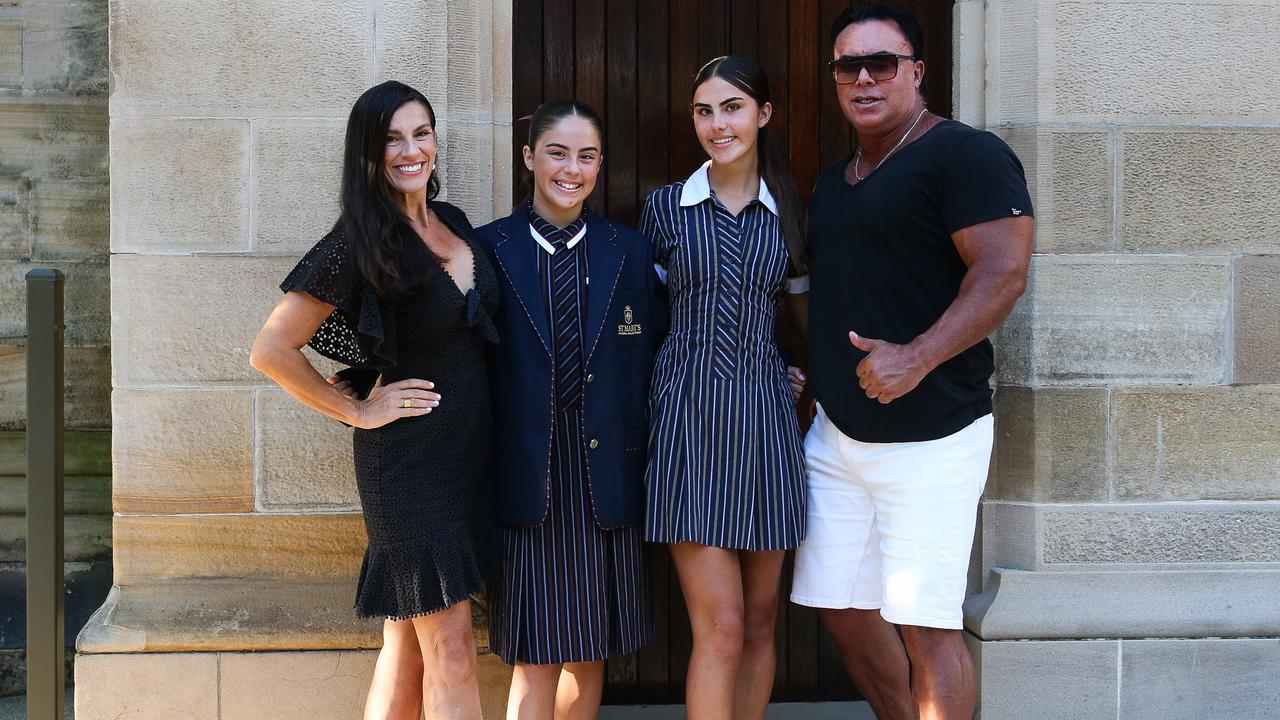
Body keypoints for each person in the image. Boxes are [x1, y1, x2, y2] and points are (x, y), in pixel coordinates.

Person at [791, 5, 1035, 720]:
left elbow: (1002, 272)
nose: (864, 77)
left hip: (933, 437)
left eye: (882, 63)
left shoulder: (968, 156)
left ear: (917, 72)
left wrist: (917, 358)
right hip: (839, 438)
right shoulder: (838, 181)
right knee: (839, 608)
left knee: (928, 626)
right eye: (848, 66)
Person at [250, 80, 498, 720]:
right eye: (392, 138)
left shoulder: (456, 224)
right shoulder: (358, 240)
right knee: (451, 647)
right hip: (410, 465)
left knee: (408, 644)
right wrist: (357, 410)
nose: (410, 150)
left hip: (472, 454)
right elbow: (272, 349)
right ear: (368, 151)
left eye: (421, 133)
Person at [475, 99, 667, 720]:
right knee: (535, 661)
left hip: (605, 479)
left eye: (586, 156)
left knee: (589, 655)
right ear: (529, 157)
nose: (572, 169)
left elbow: (660, 351)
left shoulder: (630, 253)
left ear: (601, 164)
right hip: (530, 480)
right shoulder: (486, 250)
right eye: (557, 152)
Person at [638, 56, 810, 720]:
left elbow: (804, 327)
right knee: (724, 629)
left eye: (732, 107)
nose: (718, 124)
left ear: (763, 114)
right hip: (687, 422)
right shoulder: (664, 210)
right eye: (704, 111)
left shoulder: (789, 211)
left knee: (762, 628)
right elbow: (642, 322)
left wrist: (798, 371)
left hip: (767, 424)